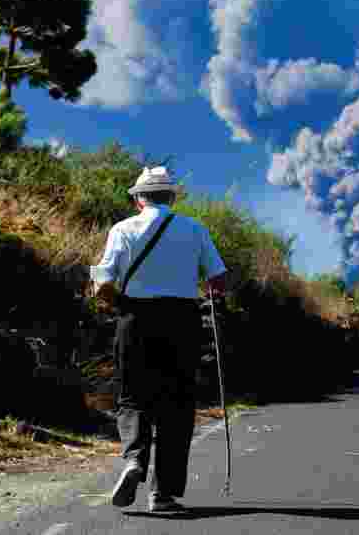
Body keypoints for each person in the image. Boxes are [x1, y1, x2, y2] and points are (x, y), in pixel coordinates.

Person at [90, 166, 229, 513]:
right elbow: (217, 279)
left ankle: (135, 460)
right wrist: (210, 296)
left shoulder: (122, 229)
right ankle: (162, 494)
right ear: (171, 197)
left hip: (134, 319)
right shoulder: (195, 229)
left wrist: (113, 301)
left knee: (133, 397)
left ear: (139, 199)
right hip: (182, 321)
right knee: (177, 405)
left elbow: (103, 281)